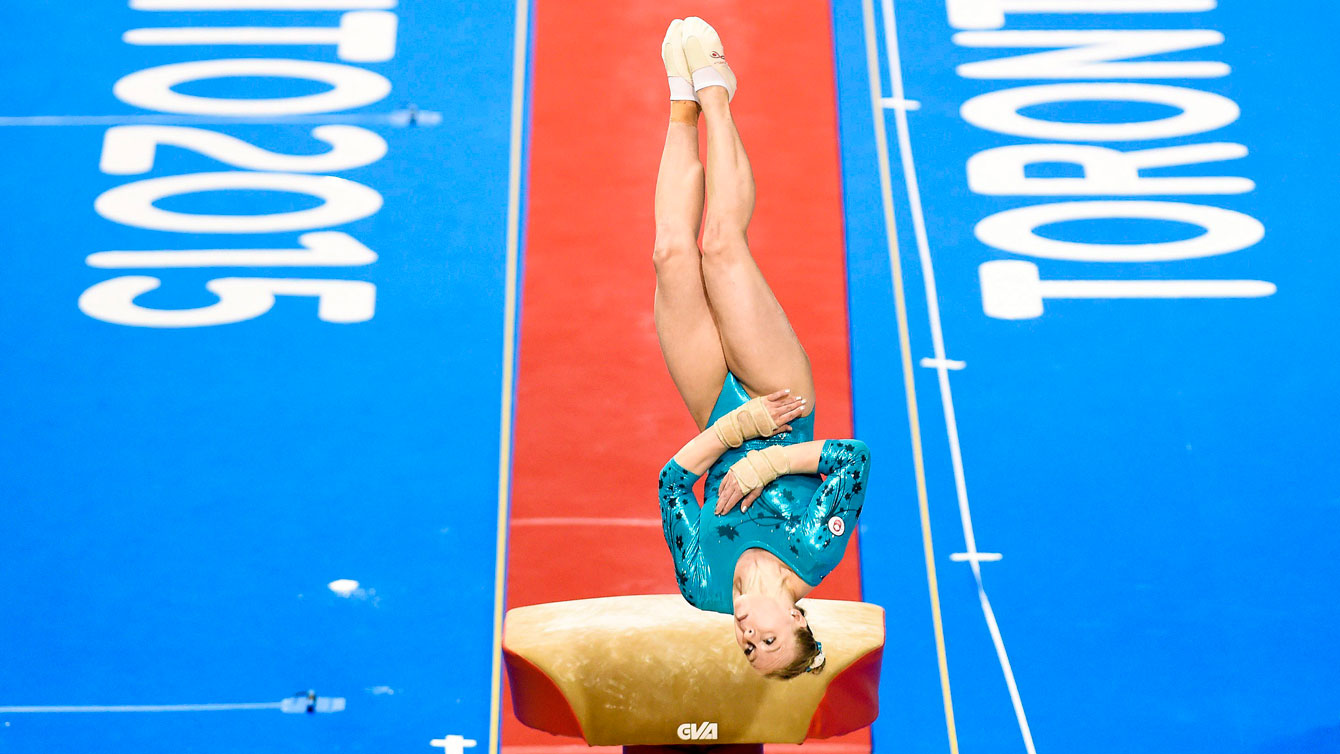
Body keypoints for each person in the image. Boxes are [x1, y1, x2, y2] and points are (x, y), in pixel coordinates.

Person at [653, 17, 872, 681]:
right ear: (801, 620)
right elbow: (850, 460)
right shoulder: (815, 550)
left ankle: (680, 104)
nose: (750, 637)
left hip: (722, 419)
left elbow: (671, 486)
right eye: (770, 643)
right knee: (720, 244)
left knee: (669, 256)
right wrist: (767, 462)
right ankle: (717, 89)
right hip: (781, 400)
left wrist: (733, 433)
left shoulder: (703, 586)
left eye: (748, 651)